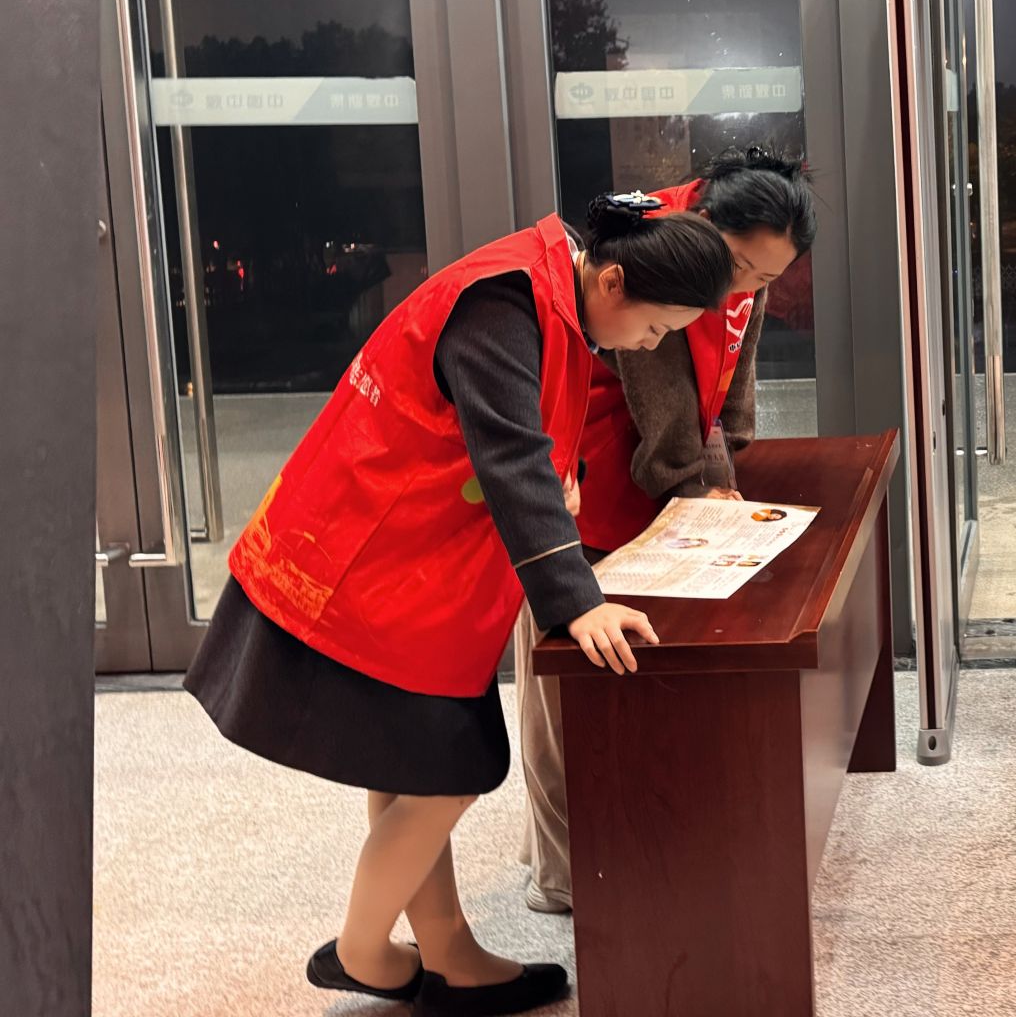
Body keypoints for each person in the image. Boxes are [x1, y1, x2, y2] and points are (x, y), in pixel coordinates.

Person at [184, 193, 734, 1016]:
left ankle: (446, 952)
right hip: (371, 555)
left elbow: (527, 442)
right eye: (655, 328)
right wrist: (576, 602)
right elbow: (510, 457)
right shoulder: (502, 303)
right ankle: (364, 951)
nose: (648, 345)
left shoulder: (549, 286)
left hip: (412, 556)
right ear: (614, 282)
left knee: (407, 762)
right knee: (447, 772)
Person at [515, 150, 817, 914]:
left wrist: (725, 459)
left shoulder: (740, 263)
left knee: (625, 683)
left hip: (662, 467)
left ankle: (625, 847)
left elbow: (733, 362)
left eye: (768, 276)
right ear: (709, 224)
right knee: (564, 682)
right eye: (743, 267)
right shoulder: (663, 249)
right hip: (591, 466)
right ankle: (562, 873)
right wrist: (698, 483)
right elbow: (659, 390)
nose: (749, 286)